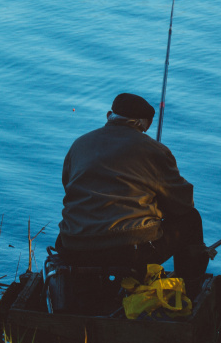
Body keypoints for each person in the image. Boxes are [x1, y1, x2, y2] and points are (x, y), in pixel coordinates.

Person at [55, 93, 211, 301]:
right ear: (143, 124)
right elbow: (183, 204)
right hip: (129, 252)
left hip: (74, 248)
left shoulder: (79, 145)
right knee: (191, 220)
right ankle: (189, 292)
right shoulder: (155, 150)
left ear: (110, 115)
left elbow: (69, 187)